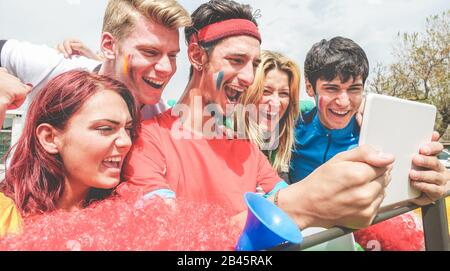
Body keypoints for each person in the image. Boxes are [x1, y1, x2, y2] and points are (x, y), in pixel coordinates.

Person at [118, 0, 396, 231]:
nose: (250, 78)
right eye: (236, 61)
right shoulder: (146, 139)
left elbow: (296, 201)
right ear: (196, 55)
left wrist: (409, 183)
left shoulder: (248, 151)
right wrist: (295, 205)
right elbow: (167, 235)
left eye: (253, 64)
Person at [289, 36, 448, 206]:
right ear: (309, 87)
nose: (343, 102)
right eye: (331, 88)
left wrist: (433, 184)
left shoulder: (378, 130)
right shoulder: (291, 126)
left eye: (354, 89)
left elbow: (405, 188)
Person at [0, 70, 139, 237]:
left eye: (128, 129)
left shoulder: (131, 218)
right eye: (105, 128)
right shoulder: (7, 217)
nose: (126, 142)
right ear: (49, 138)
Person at [0, 0, 190, 120]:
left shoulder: (157, 115)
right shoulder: (55, 67)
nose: (167, 68)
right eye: (150, 52)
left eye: (173, 55)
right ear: (109, 46)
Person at [238, 50, 300, 182]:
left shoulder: (280, 141)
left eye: (283, 94)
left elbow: (307, 107)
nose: (276, 103)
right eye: (266, 91)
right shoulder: (226, 136)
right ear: (248, 92)